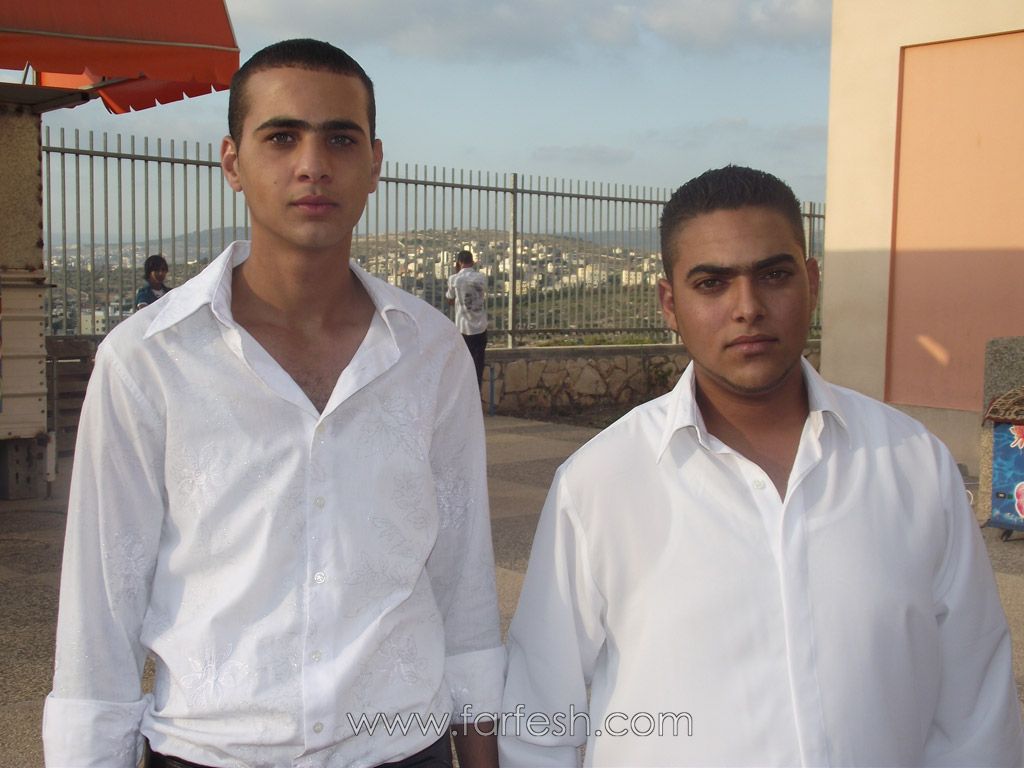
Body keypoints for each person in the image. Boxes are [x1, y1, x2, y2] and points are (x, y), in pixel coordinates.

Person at [43, 39, 503, 768]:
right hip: (208, 750)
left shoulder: (431, 355)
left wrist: (482, 750)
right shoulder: (148, 360)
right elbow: (101, 610)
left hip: (401, 747)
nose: (312, 164)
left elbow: (464, 580)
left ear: (375, 163)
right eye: (282, 137)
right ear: (232, 162)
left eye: (340, 138)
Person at [499, 165, 1024, 766]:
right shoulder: (600, 483)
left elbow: (976, 708)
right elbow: (539, 717)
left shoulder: (913, 464)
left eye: (773, 275)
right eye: (712, 283)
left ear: (812, 283)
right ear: (669, 304)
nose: (747, 308)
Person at [446, 249, 488, 388]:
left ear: (459, 262)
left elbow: (449, 299)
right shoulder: (481, 277)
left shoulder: (454, 279)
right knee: (478, 367)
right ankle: (477, 393)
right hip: (481, 328)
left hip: (464, 328)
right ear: (473, 262)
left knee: (463, 367)